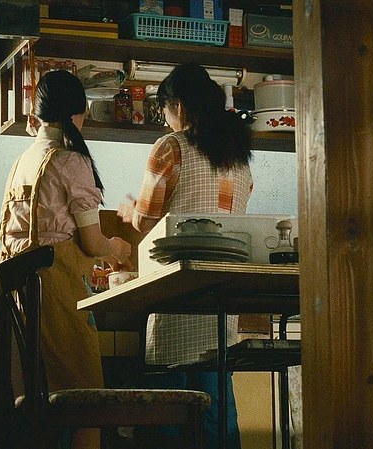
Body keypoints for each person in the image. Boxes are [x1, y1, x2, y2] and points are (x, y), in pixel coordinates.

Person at [117, 62, 253, 449]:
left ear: (177, 105)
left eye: (165, 112)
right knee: (217, 409)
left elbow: (146, 220)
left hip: (176, 290)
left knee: (168, 411)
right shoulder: (238, 155)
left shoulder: (171, 147)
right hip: (220, 294)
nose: (166, 121)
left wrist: (129, 210)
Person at [0, 69, 133, 449]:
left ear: (37, 113)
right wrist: (117, 249)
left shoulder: (23, 160)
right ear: (79, 113)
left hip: (21, 299)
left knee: (41, 411)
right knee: (89, 405)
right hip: (56, 293)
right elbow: (91, 242)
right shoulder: (70, 160)